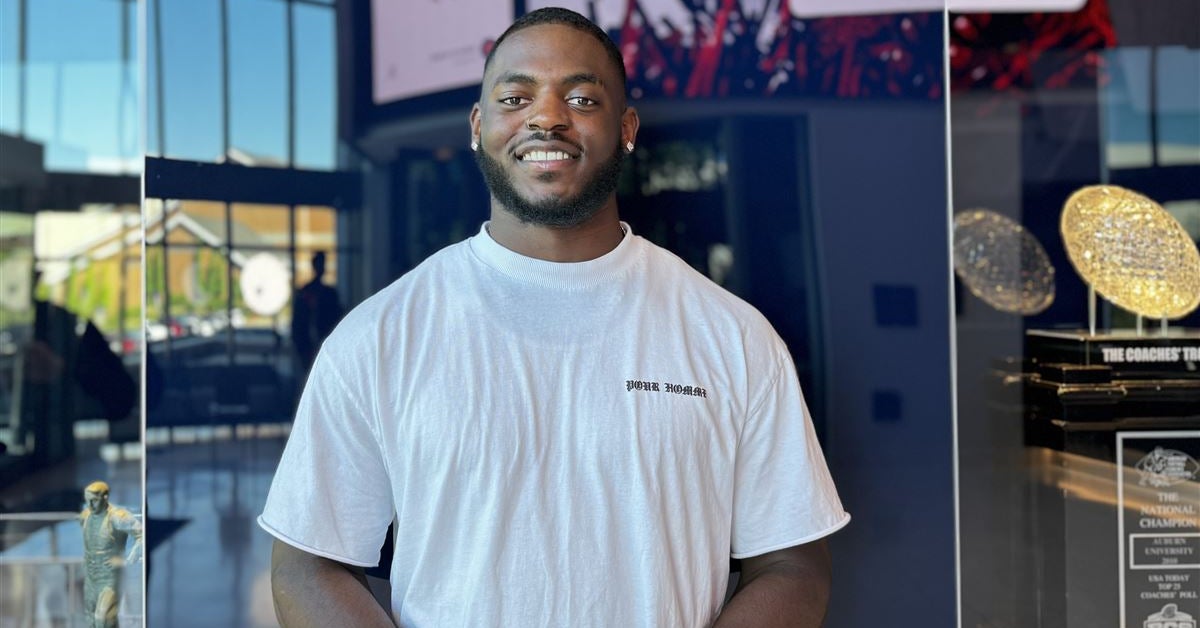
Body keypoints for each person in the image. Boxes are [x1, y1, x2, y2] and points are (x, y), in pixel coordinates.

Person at [260, 8, 849, 627]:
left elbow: (793, 564)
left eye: (581, 99)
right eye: (516, 98)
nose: (546, 118)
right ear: (479, 126)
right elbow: (307, 564)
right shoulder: (378, 336)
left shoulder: (733, 336)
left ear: (626, 129)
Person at [79, 480, 142, 628]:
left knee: (103, 619)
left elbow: (141, 535)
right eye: (88, 500)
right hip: (91, 576)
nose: (90, 505)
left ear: (105, 497)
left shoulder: (117, 516)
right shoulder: (86, 515)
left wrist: (129, 558)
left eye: (94, 500)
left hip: (109, 577)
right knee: (90, 620)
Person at [290, 251, 343, 374]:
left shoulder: (329, 294)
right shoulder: (305, 292)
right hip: (308, 347)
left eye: (322, 264)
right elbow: (298, 323)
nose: (321, 268)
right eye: (319, 264)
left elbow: (336, 319)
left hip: (325, 344)